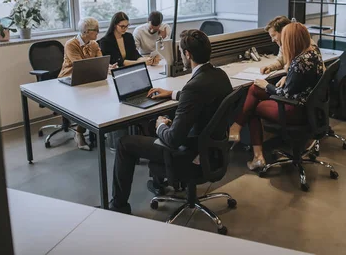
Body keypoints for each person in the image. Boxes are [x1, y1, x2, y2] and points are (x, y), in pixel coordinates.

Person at [109, 29, 233, 214]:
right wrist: (173, 94)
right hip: (213, 150)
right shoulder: (219, 75)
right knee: (161, 121)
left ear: (187, 54)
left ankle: (118, 206)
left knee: (125, 143)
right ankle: (159, 182)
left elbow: (174, 139)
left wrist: (160, 125)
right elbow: (201, 96)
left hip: (189, 154)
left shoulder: (194, 87)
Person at [229, 22, 324, 171]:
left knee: (253, 107)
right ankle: (237, 128)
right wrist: (288, 77)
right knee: (254, 89)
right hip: (309, 105)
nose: (281, 43)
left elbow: (285, 94)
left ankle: (257, 156)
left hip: (296, 109)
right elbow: (303, 78)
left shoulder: (299, 62)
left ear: (291, 40)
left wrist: (266, 85)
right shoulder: (312, 52)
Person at [58, 17, 103, 150]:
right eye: (96, 30)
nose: (98, 33)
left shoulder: (94, 44)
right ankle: (79, 132)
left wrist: (108, 67)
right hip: (70, 77)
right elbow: (79, 66)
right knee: (87, 99)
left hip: (88, 77)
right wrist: (98, 66)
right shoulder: (71, 44)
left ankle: (96, 127)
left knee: (103, 93)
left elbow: (100, 61)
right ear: (86, 31)